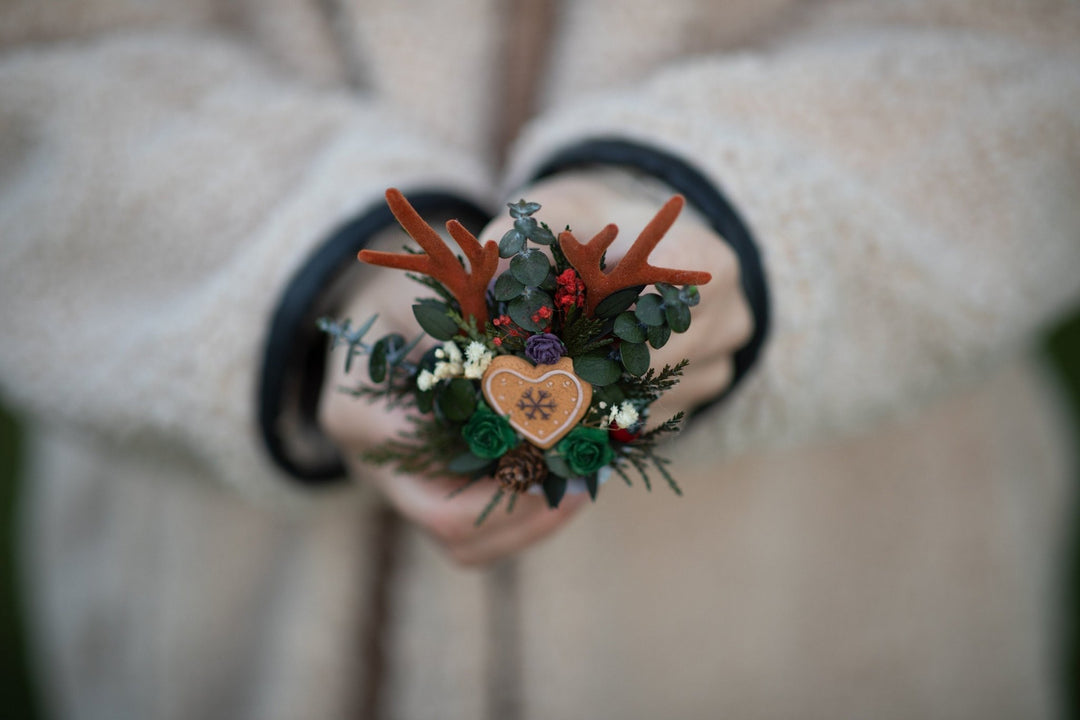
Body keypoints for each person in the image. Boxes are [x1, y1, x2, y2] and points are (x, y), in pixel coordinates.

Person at [1, 1, 1078, 718]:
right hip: (224, 614)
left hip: (826, 591)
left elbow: (1026, 47)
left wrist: (725, 223)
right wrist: (311, 271)